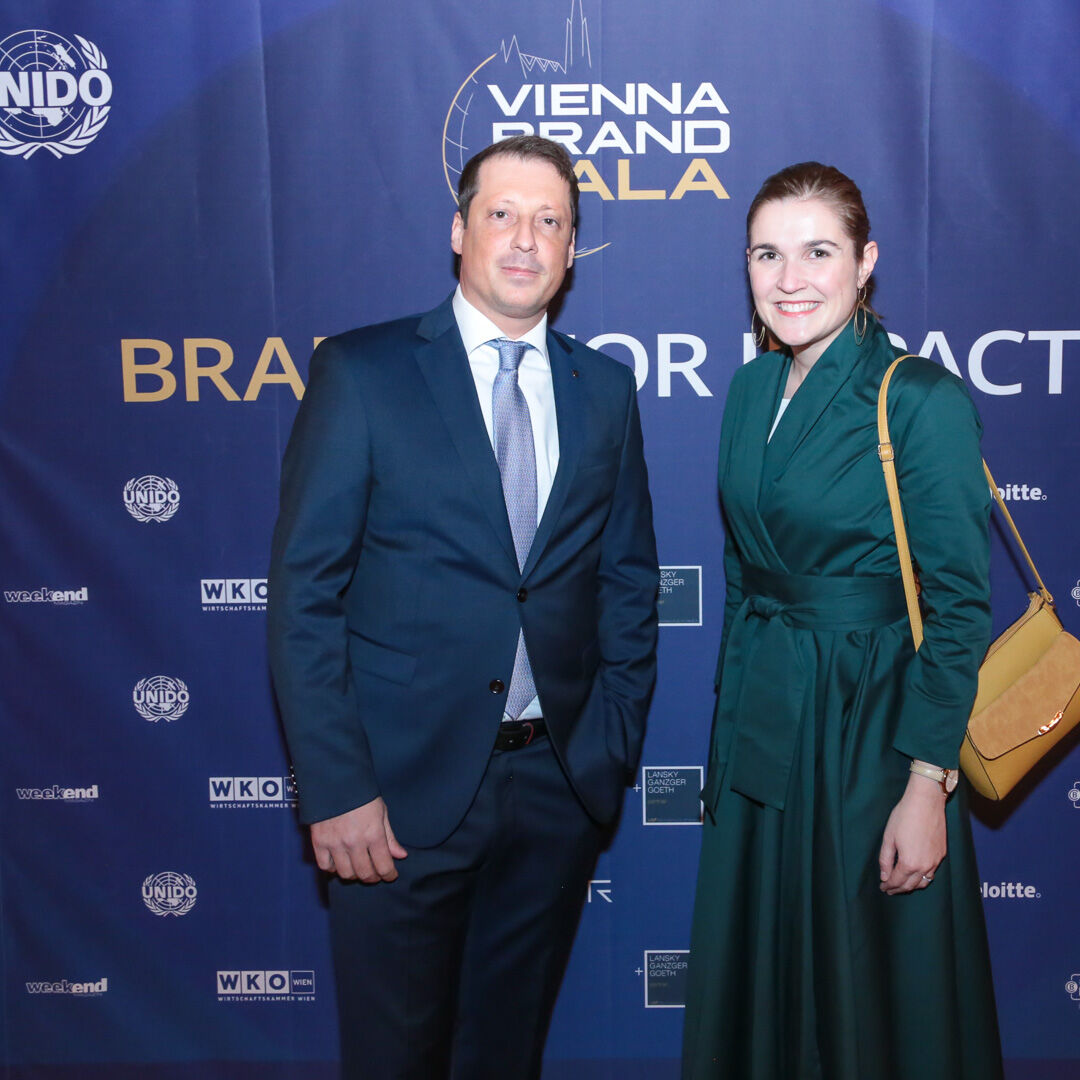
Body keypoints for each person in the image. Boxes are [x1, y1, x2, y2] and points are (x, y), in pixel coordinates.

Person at [267, 135, 658, 1080]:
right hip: (394, 799)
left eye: (549, 221)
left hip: (555, 790)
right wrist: (338, 788)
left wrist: (602, 749)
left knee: (505, 1056)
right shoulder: (363, 372)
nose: (525, 239)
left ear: (572, 248)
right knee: (394, 1059)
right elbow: (305, 594)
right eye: (502, 214)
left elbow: (627, 580)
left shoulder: (604, 391)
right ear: (458, 230)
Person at [681, 162, 1004, 1078]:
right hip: (764, 722)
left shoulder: (918, 398)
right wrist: (727, 742)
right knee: (764, 979)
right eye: (766, 255)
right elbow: (744, 574)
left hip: (870, 729)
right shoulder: (750, 390)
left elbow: (957, 607)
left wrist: (926, 782)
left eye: (817, 252)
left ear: (865, 263)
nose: (789, 279)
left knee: (869, 988)